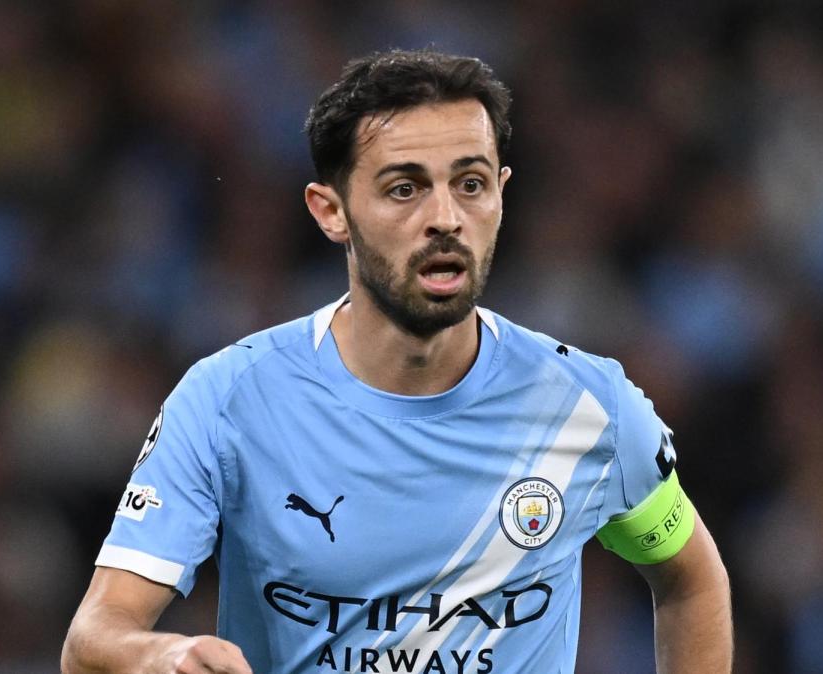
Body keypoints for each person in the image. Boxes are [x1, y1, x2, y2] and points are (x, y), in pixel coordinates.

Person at [62, 49, 732, 674]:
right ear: (332, 211)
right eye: (404, 188)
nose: (445, 217)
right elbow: (94, 637)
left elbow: (692, 580)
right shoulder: (229, 400)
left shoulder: (588, 406)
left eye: (470, 183)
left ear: (500, 195)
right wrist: (163, 655)